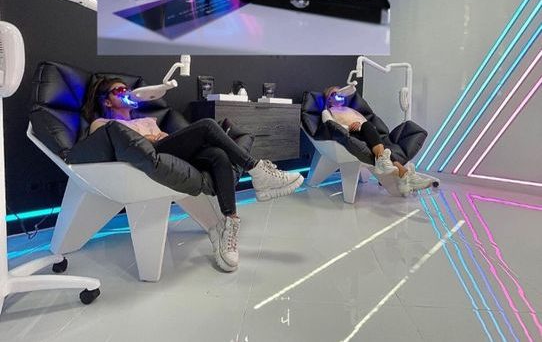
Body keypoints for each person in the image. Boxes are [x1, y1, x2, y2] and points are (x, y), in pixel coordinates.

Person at [82, 77, 304, 272]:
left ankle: (229, 223)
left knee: (218, 154)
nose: (128, 93)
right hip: (146, 160)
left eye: (129, 89)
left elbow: (166, 138)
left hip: (167, 153)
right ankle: (257, 171)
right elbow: (115, 142)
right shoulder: (103, 123)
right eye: (120, 90)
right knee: (207, 126)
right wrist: (151, 138)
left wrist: (159, 136)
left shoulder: (148, 121)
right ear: (106, 101)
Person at [322, 86, 432, 196]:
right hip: (351, 136)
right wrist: (348, 127)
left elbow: (364, 122)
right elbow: (333, 127)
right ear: (328, 99)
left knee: (381, 143)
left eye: (340, 93)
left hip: (366, 133)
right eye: (334, 94)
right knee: (369, 129)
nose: (339, 95)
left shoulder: (350, 110)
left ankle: (402, 173)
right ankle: (403, 175)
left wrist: (360, 125)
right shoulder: (329, 112)